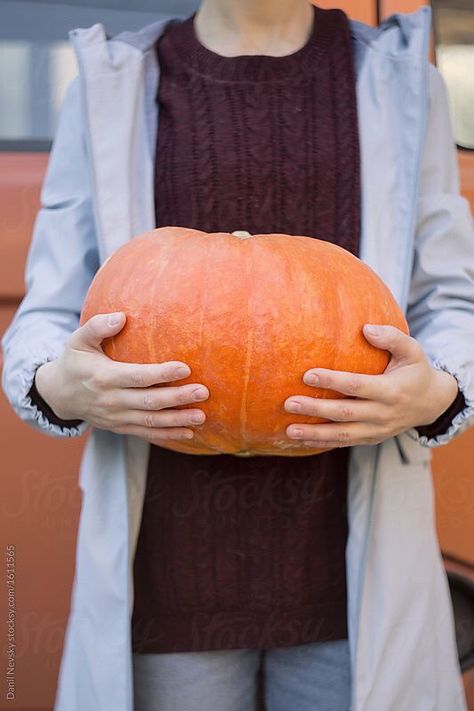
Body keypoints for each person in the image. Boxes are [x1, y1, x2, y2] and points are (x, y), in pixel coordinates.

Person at [2, 1, 474, 710]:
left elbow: (451, 301)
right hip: (168, 574)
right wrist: (61, 384)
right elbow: (46, 313)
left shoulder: (401, 78)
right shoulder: (112, 82)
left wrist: (437, 391)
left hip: (348, 577)